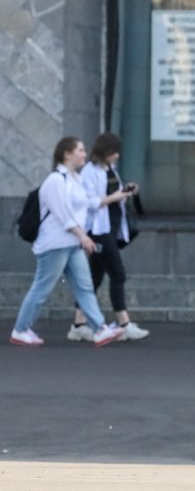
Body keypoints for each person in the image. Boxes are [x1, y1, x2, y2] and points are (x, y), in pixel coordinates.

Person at [10, 137, 126, 347]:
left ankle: (99, 329)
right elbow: (63, 213)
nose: (84, 154)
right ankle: (21, 329)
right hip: (55, 243)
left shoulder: (75, 179)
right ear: (67, 154)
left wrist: (115, 197)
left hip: (71, 243)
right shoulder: (56, 180)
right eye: (80, 150)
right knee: (42, 288)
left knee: (84, 286)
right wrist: (83, 236)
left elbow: (88, 202)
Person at [66, 132, 150, 343]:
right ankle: (123, 323)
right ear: (107, 152)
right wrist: (116, 196)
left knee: (95, 277)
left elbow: (114, 194)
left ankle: (79, 324)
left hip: (111, 227)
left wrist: (127, 191)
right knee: (117, 274)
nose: (117, 156)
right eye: (115, 152)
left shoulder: (110, 170)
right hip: (98, 230)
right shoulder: (90, 172)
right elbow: (90, 201)